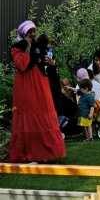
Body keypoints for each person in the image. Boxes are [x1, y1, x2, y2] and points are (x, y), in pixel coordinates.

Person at [9, 20, 66, 164]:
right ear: (23, 34)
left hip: (42, 85)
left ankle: (45, 153)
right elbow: (22, 65)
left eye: (34, 31)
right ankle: (30, 155)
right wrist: (28, 46)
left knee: (46, 115)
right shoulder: (17, 48)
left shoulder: (41, 47)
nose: (33, 34)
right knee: (29, 116)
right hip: (26, 87)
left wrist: (53, 64)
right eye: (30, 32)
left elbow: (48, 67)